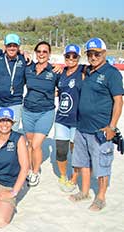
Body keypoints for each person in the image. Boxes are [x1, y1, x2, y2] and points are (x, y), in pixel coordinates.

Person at [69, 38, 123, 211]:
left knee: (102, 164)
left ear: (104, 53)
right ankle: (84, 192)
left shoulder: (112, 73)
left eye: (97, 53)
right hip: (82, 126)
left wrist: (112, 127)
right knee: (83, 162)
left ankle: (100, 197)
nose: (93, 57)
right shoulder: (87, 71)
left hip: (100, 129)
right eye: (90, 54)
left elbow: (118, 101)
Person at [22, 41, 60, 187]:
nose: (42, 54)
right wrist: (23, 53)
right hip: (28, 111)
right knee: (30, 143)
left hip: (46, 112)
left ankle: (35, 172)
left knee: (36, 145)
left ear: (49, 54)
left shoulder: (55, 71)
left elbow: (65, 86)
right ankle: (29, 168)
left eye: (45, 51)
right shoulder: (28, 68)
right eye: (39, 51)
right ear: (35, 52)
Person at [54, 44, 84, 192]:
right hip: (61, 119)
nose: (71, 59)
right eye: (68, 56)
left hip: (77, 120)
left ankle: (74, 178)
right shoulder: (61, 73)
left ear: (79, 57)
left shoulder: (83, 71)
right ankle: (63, 175)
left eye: (74, 56)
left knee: (76, 152)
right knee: (60, 150)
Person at [0, 34, 27, 131]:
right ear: (5, 46)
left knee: (13, 132)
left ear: (19, 47)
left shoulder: (24, 60)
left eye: (14, 45)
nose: (12, 48)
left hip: (15, 102)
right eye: (9, 45)